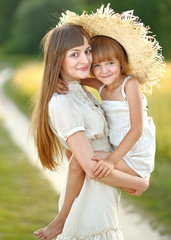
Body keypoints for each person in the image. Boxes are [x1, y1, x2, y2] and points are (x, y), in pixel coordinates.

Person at [32, 5, 164, 240]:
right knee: (80, 165)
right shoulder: (67, 99)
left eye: (87, 51)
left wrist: (58, 79)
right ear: (58, 59)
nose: (86, 61)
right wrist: (140, 183)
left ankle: (62, 219)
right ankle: (61, 219)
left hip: (116, 171)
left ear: (121, 62)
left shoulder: (101, 85)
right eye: (75, 54)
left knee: (81, 165)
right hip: (94, 193)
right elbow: (90, 167)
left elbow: (136, 128)